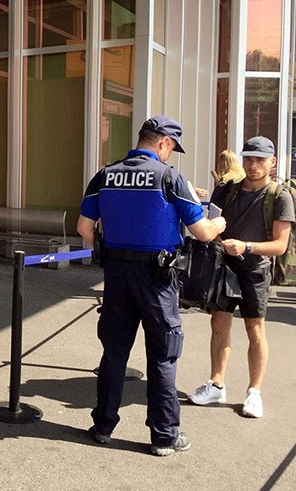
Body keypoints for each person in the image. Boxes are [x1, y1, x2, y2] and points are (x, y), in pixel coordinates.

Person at [77, 115, 226, 456]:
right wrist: (219, 221)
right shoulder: (170, 177)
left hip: (115, 275)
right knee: (163, 356)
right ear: (163, 143)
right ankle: (163, 437)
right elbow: (202, 232)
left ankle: (103, 427)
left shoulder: (105, 174)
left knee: (114, 353)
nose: (171, 154)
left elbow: (85, 228)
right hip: (158, 279)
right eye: (172, 148)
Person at [187, 136, 294, 418]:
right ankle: (216, 383)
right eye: (248, 158)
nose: (253, 165)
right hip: (224, 267)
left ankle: (254, 392)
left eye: (260, 160)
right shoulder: (227, 189)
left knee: (254, 330)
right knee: (218, 323)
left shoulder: (280, 196)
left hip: (255, 270)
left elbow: (280, 246)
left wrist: (246, 246)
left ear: (272, 162)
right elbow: (212, 223)